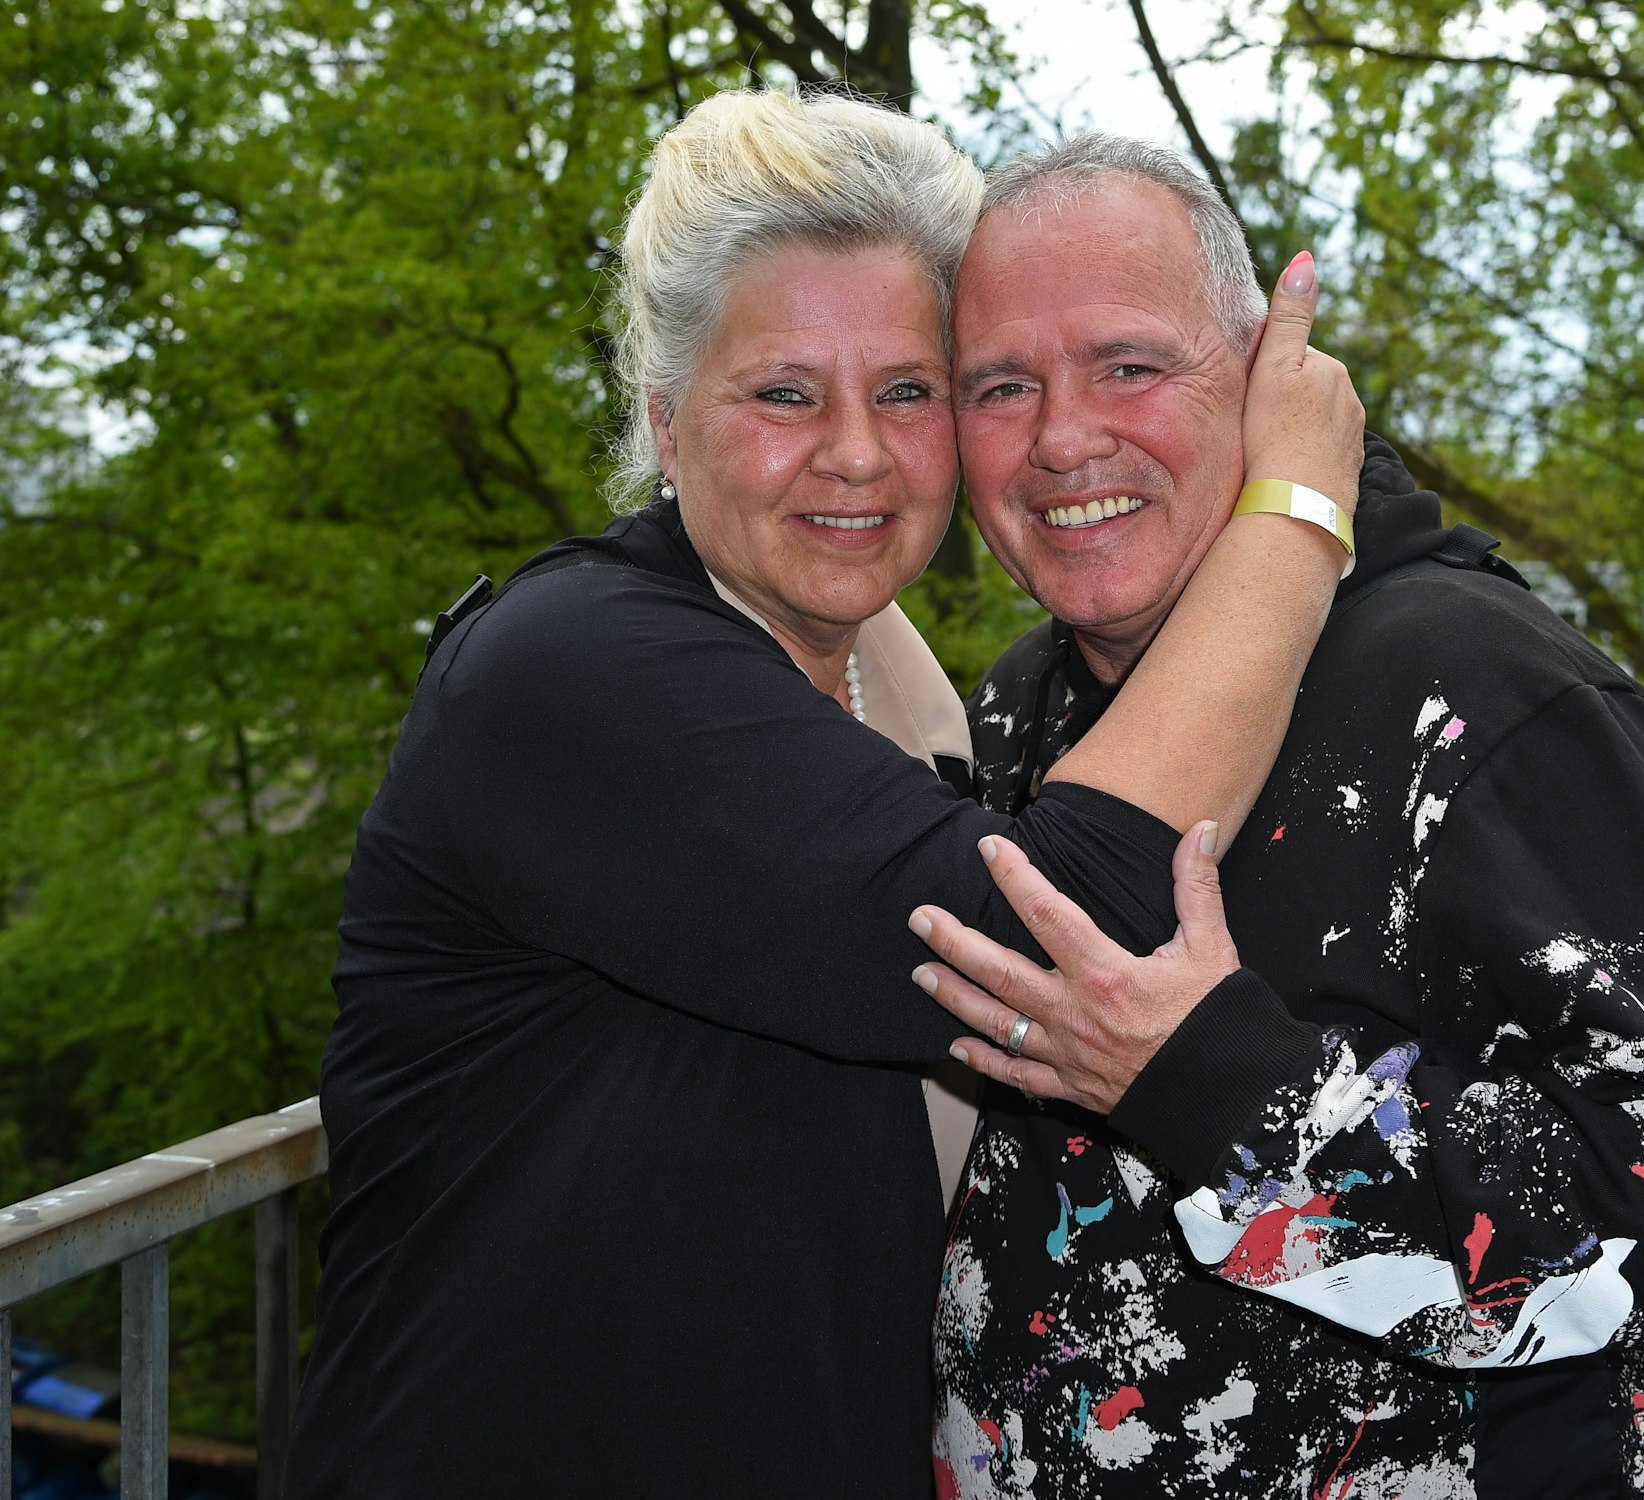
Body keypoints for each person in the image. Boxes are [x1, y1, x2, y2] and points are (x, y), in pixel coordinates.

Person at [285, 94, 1367, 1500]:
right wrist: (1296, 511)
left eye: (910, 391)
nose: (856, 452)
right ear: (668, 424)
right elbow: (1048, 941)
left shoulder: (901, 695)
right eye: (785, 393)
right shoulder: (578, 668)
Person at [914, 134, 1644, 1499]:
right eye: (1002, 385)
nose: (1061, 439)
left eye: (1129, 366)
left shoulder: (1481, 695)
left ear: (1270, 372)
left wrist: (1233, 1094)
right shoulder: (1013, 718)